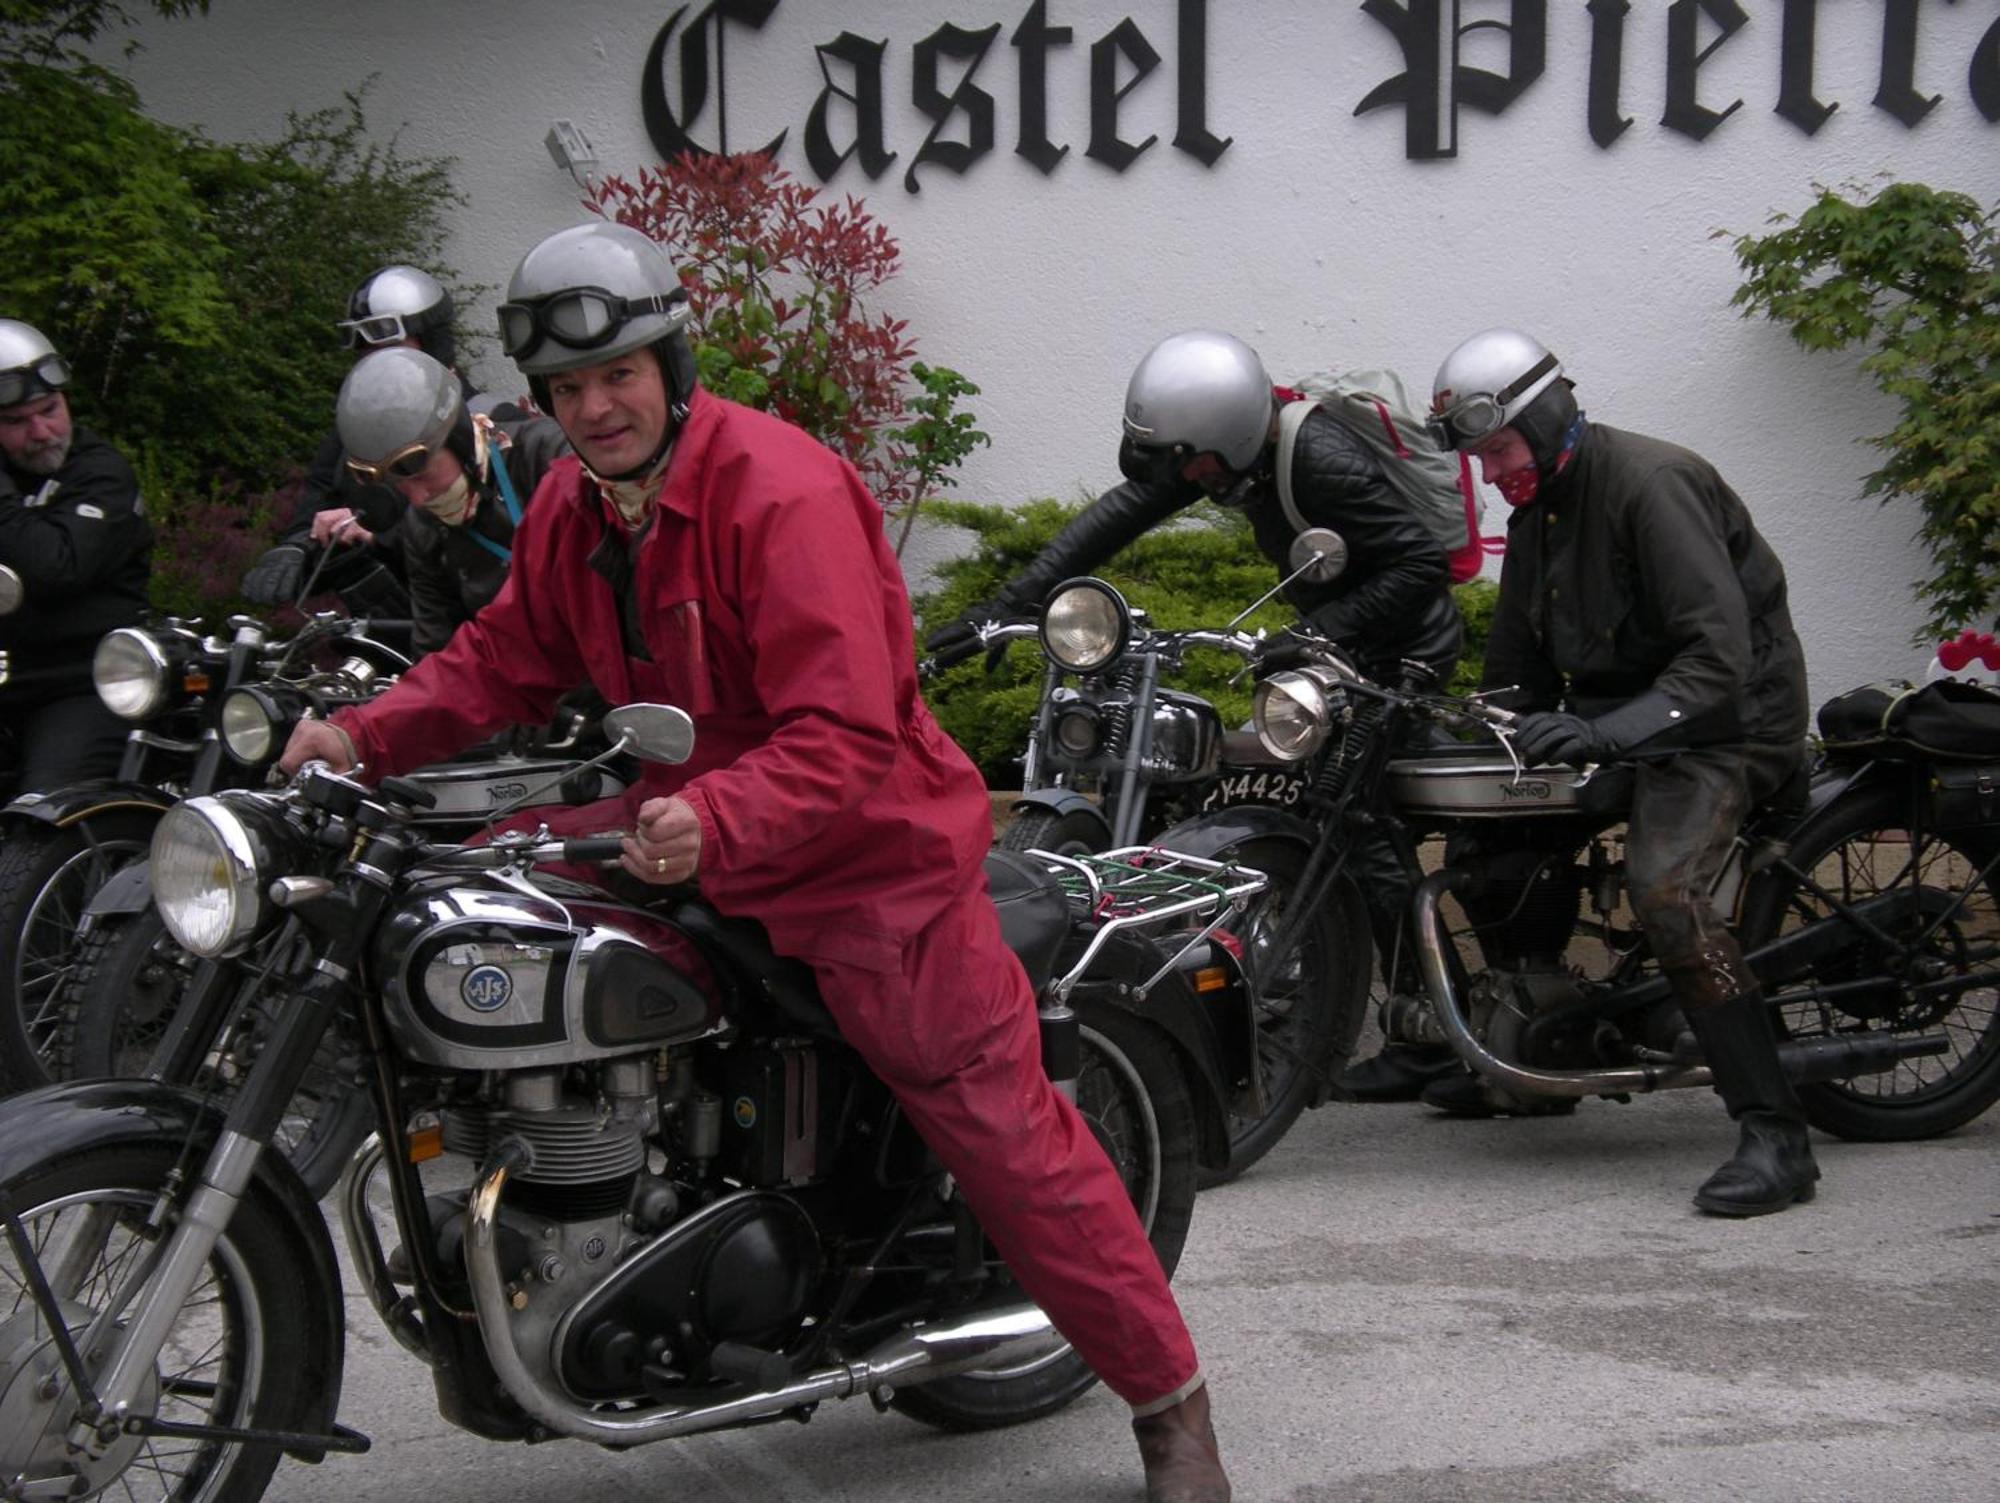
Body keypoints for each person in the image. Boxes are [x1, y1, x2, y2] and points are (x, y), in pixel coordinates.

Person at [279, 221, 1231, 1501]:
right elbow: (501, 657)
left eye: (616, 374)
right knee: (473, 904)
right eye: (568, 389)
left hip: (861, 858)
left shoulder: (778, 491)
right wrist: (359, 734)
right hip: (683, 832)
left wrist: (719, 818)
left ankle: (1171, 1407)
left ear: (669, 365)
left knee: (998, 1129)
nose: (595, 405)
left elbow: (842, 729)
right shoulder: (574, 503)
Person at [925, 329, 1466, 1104]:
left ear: (1234, 436)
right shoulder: (1227, 452)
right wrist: (1002, 609)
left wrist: (1314, 633)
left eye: (1195, 463)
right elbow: (1114, 518)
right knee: (1335, 819)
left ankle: (1432, 1037)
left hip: (1403, 651)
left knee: (1360, 824)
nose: (1190, 478)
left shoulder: (1319, 460)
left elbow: (1421, 564)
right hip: (1345, 642)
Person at [1423, 326, 1817, 1217]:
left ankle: (1776, 1134)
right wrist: (1480, 728)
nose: (1493, 471)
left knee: (1666, 891)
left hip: (1725, 726)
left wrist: (1607, 733)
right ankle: (1532, 1050)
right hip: (1620, 724)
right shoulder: (1542, 516)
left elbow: (1716, 664)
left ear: (1549, 415)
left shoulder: (1652, 485)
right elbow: (1516, 670)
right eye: (1480, 458)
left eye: (1500, 448)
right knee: (1489, 832)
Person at [242, 265, 465, 614]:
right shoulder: (358, 428)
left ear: (433, 344)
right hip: (378, 633)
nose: (378, 363)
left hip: (466, 632)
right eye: (366, 353)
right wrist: (299, 544)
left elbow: (479, 529)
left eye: (392, 348)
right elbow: (320, 493)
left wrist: (376, 537)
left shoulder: (485, 422)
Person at [333, 345, 569, 655]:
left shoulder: (548, 456)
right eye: (399, 487)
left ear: (457, 439)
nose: (417, 499)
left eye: (421, 476)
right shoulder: (422, 528)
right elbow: (437, 649)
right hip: (527, 685)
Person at [0, 318, 153, 792]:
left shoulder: (100, 473)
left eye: (49, 409)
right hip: (9, 675)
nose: (42, 430)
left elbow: (56, 567)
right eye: (15, 422)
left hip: (83, 683)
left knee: (41, 812)